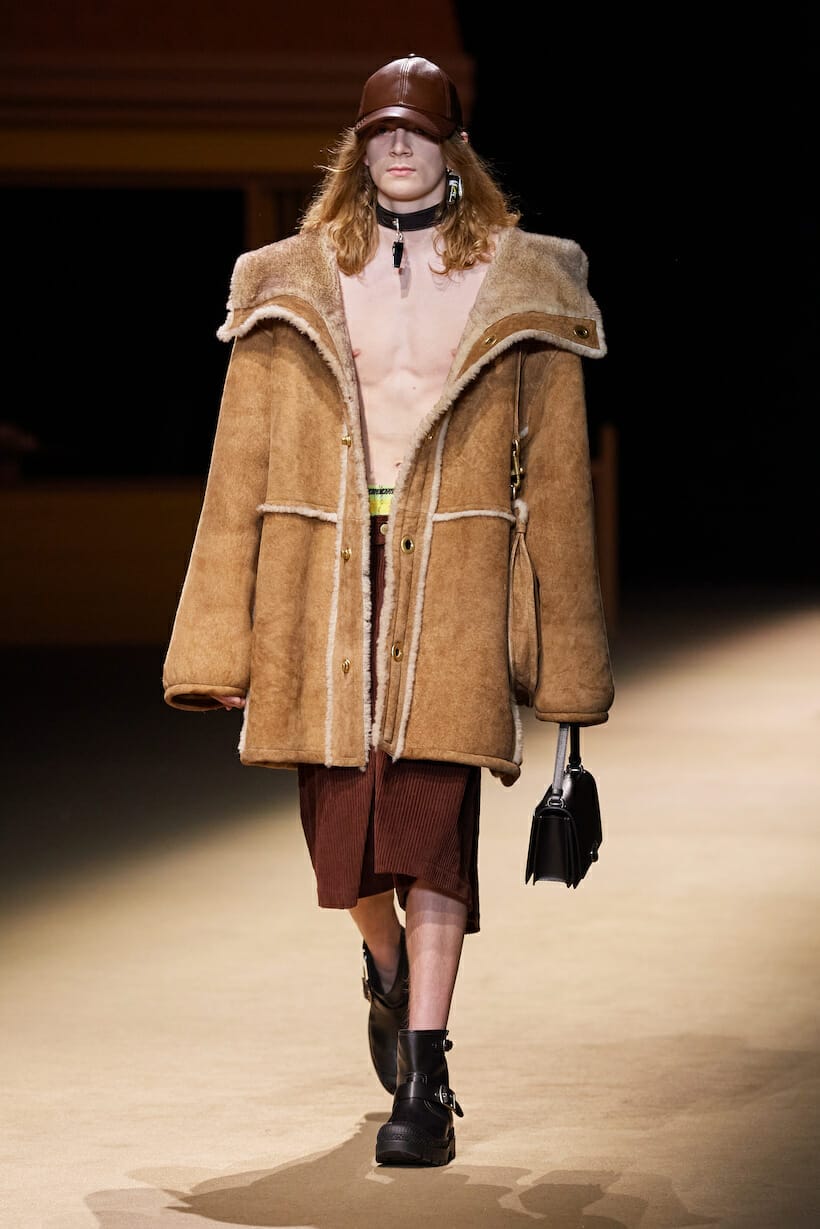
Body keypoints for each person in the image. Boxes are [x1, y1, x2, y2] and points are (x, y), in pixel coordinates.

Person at [162, 52, 614, 1168]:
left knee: (432, 837)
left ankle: (426, 1074)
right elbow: (236, 468)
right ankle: (386, 965)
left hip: (456, 575)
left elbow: (559, 486)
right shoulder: (294, 279)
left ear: (453, 148)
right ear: (359, 149)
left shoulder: (522, 283)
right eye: (380, 131)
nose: (399, 144)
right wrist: (217, 637)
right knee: (345, 848)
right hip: (321, 575)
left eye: (418, 128)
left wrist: (566, 664)